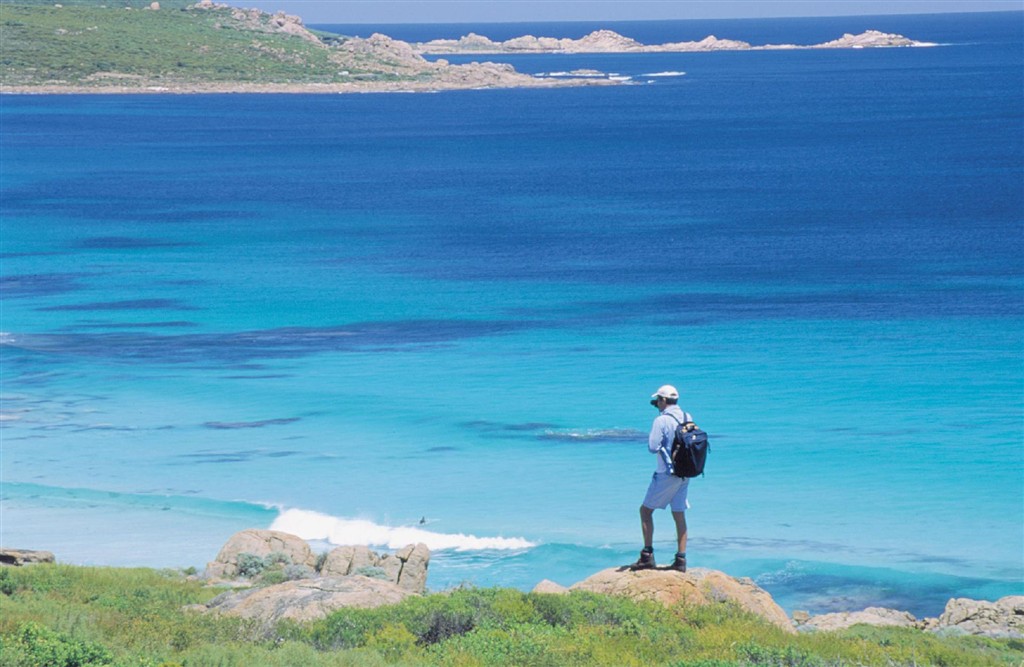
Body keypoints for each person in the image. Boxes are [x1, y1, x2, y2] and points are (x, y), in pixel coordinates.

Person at [630, 384, 692, 572]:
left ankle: (647, 556)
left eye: (657, 400)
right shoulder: (687, 417)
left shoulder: (661, 420)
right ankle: (681, 560)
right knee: (679, 514)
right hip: (685, 473)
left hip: (667, 473)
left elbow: (652, 447)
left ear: (663, 400)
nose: (656, 403)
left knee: (645, 511)